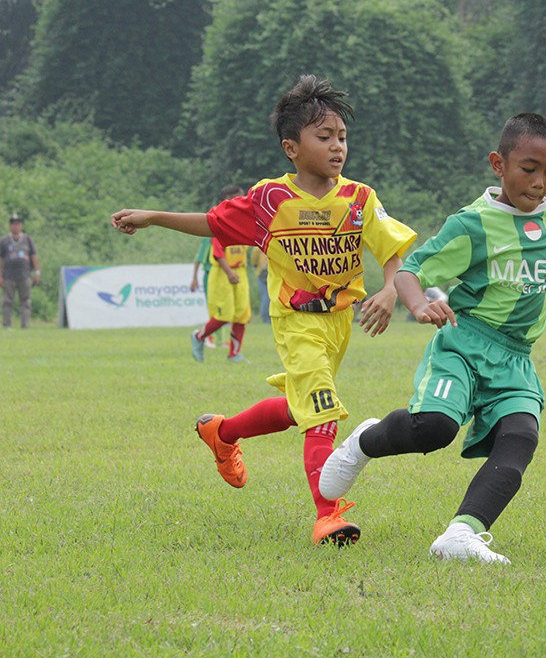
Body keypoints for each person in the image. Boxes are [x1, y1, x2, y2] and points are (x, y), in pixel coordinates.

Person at [112, 74, 417, 546]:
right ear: (291, 147)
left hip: (339, 324)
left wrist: (391, 288)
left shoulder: (359, 198)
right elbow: (212, 223)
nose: (338, 147)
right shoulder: (270, 199)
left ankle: (222, 431)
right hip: (297, 323)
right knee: (322, 413)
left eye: (342, 137)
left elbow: (393, 248)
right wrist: (152, 216)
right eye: (325, 137)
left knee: (301, 409)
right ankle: (327, 514)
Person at [319, 113, 546, 564]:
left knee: (522, 435)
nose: (541, 182)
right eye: (529, 168)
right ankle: (365, 441)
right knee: (434, 429)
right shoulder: (472, 225)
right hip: (464, 345)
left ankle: (462, 534)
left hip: (516, 359)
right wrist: (418, 304)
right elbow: (411, 270)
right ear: (498, 164)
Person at [190, 185, 249, 362]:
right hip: (223, 272)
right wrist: (229, 272)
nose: (242, 200)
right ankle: (199, 336)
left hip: (240, 272)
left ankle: (234, 354)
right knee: (224, 316)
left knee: (241, 315)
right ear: (227, 200)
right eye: (237, 197)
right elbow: (217, 252)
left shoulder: (244, 219)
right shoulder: (218, 218)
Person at [0, 213, 39, 329]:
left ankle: (25, 326)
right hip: (8, 276)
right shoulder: (4, 241)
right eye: (13, 224)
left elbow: (34, 255)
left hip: (25, 275)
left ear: (21, 226)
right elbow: (1, 259)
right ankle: (7, 325)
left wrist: (37, 272)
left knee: (25, 301)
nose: (16, 226)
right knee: (7, 301)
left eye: (18, 224)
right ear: (10, 226)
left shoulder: (27, 239)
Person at [189, 237, 220, 348]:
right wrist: (194, 278)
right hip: (211, 273)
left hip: (225, 275)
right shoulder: (209, 238)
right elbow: (199, 257)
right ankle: (209, 337)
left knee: (226, 310)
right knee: (215, 309)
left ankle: (221, 341)